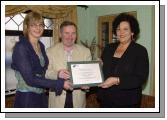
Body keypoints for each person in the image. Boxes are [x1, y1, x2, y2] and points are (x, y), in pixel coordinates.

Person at [11, 12, 72, 108]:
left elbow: (43, 72)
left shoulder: (41, 46)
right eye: (33, 25)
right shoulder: (21, 47)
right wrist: (60, 83)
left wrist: (58, 74)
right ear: (26, 27)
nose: (38, 28)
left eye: (41, 25)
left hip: (41, 95)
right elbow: (30, 79)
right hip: (27, 97)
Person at [97, 13, 149, 108]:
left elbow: (140, 78)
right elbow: (103, 70)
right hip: (105, 100)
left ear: (132, 32)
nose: (121, 32)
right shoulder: (109, 48)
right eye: (118, 29)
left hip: (127, 102)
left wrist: (117, 80)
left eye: (125, 29)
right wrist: (98, 66)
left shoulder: (140, 51)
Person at [46, 21, 92, 108]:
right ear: (60, 34)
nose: (70, 37)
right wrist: (57, 73)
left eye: (73, 33)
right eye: (66, 33)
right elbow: (46, 73)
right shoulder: (50, 51)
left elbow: (88, 76)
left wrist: (87, 84)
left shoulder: (85, 52)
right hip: (57, 99)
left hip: (78, 100)